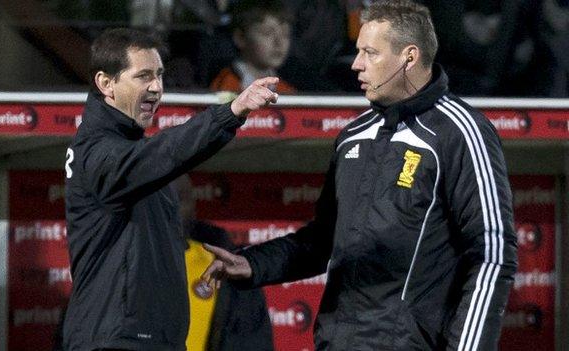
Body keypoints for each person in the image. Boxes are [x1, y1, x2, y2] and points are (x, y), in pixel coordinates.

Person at [201, 1, 518, 350]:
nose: (356, 64)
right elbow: (322, 241)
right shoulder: (353, 136)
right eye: (358, 52)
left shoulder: (461, 131)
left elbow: (492, 252)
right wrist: (252, 263)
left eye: (370, 53)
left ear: (408, 58)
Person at [61, 27, 278, 350]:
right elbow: (167, 152)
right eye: (143, 76)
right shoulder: (96, 152)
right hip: (116, 342)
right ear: (106, 84)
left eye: (160, 75)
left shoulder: (128, 148)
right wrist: (231, 112)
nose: (156, 88)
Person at [173, 175, 274, 351]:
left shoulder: (227, 270)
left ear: (193, 207)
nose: (169, 209)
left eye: (178, 199)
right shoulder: (119, 264)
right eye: (159, 202)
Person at [210, 0, 296, 93]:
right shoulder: (226, 85)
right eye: (267, 33)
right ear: (240, 38)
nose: (279, 42)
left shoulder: (286, 90)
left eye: (285, 34)